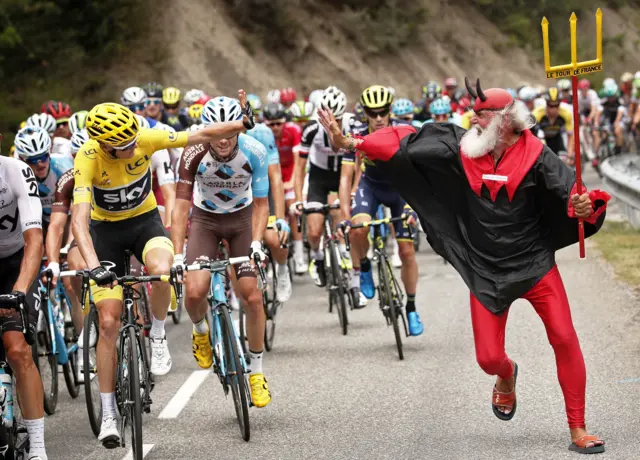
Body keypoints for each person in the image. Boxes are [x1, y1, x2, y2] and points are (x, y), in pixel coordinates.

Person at [318, 77, 608, 455]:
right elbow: (405, 139)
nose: (472, 121)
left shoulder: (536, 154)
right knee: (488, 358)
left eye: (481, 116)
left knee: (565, 338)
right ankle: (506, 376)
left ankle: (578, 428)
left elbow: (571, 191)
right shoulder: (462, 146)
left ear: (505, 120)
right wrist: (349, 143)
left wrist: (582, 205)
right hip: (485, 270)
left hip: (534, 264)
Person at [72, 92, 256, 448]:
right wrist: (94, 267)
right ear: (104, 146)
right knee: (108, 321)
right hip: (105, 231)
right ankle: (109, 412)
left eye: (133, 140)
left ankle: (157, 335)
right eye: (123, 145)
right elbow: (80, 220)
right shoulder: (88, 157)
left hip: (145, 222)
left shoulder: (145, 138)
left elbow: (200, 134)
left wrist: (243, 123)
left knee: (161, 269)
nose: (132, 147)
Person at [171, 96, 272, 408]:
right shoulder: (192, 154)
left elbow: (261, 204)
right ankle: (200, 331)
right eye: (217, 134)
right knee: (194, 290)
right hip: (205, 221)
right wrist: (177, 255)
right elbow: (181, 207)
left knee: (252, 297)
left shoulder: (254, 151)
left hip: (243, 220)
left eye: (230, 134)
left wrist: (256, 243)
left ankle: (255, 372)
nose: (224, 141)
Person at [336, 85, 423, 334]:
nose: (377, 118)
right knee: (357, 230)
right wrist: (344, 217)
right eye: (371, 113)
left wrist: (414, 207)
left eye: (382, 112)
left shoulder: (404, 132)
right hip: (370, 187)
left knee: (406, 251)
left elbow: (417, 174)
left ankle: (412, 308)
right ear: (364, 113)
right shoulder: (355, 135)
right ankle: (364, 266)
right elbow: (345, 179)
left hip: (400, 191)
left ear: (389, 111)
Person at [0, 146, 48, 460]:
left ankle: (38, 448)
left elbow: (34, 239)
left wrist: (18, 290)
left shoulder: (16, 171)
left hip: (17, 262)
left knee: (17, 349)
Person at [292, 87, 349, 287]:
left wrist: (353, 191)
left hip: (343, 175)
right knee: (314, 231)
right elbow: (299, 169)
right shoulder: (311, 130)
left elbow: (359, 165)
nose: (333, 124)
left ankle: (344, 258)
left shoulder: (352, 125)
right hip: (319, 177)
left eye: (338, 119)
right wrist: (299, 199)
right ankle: (317, 257)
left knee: (338, 214)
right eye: (328, 119)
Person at [13, 127, 74, 235]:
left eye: (43, 157)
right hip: (37, 220)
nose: (40, 164)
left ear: (50, 151)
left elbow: (78, 207)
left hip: (67, 218)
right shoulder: (16, 174)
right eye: (32, 160)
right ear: (22, 160)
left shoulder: (64, 165)